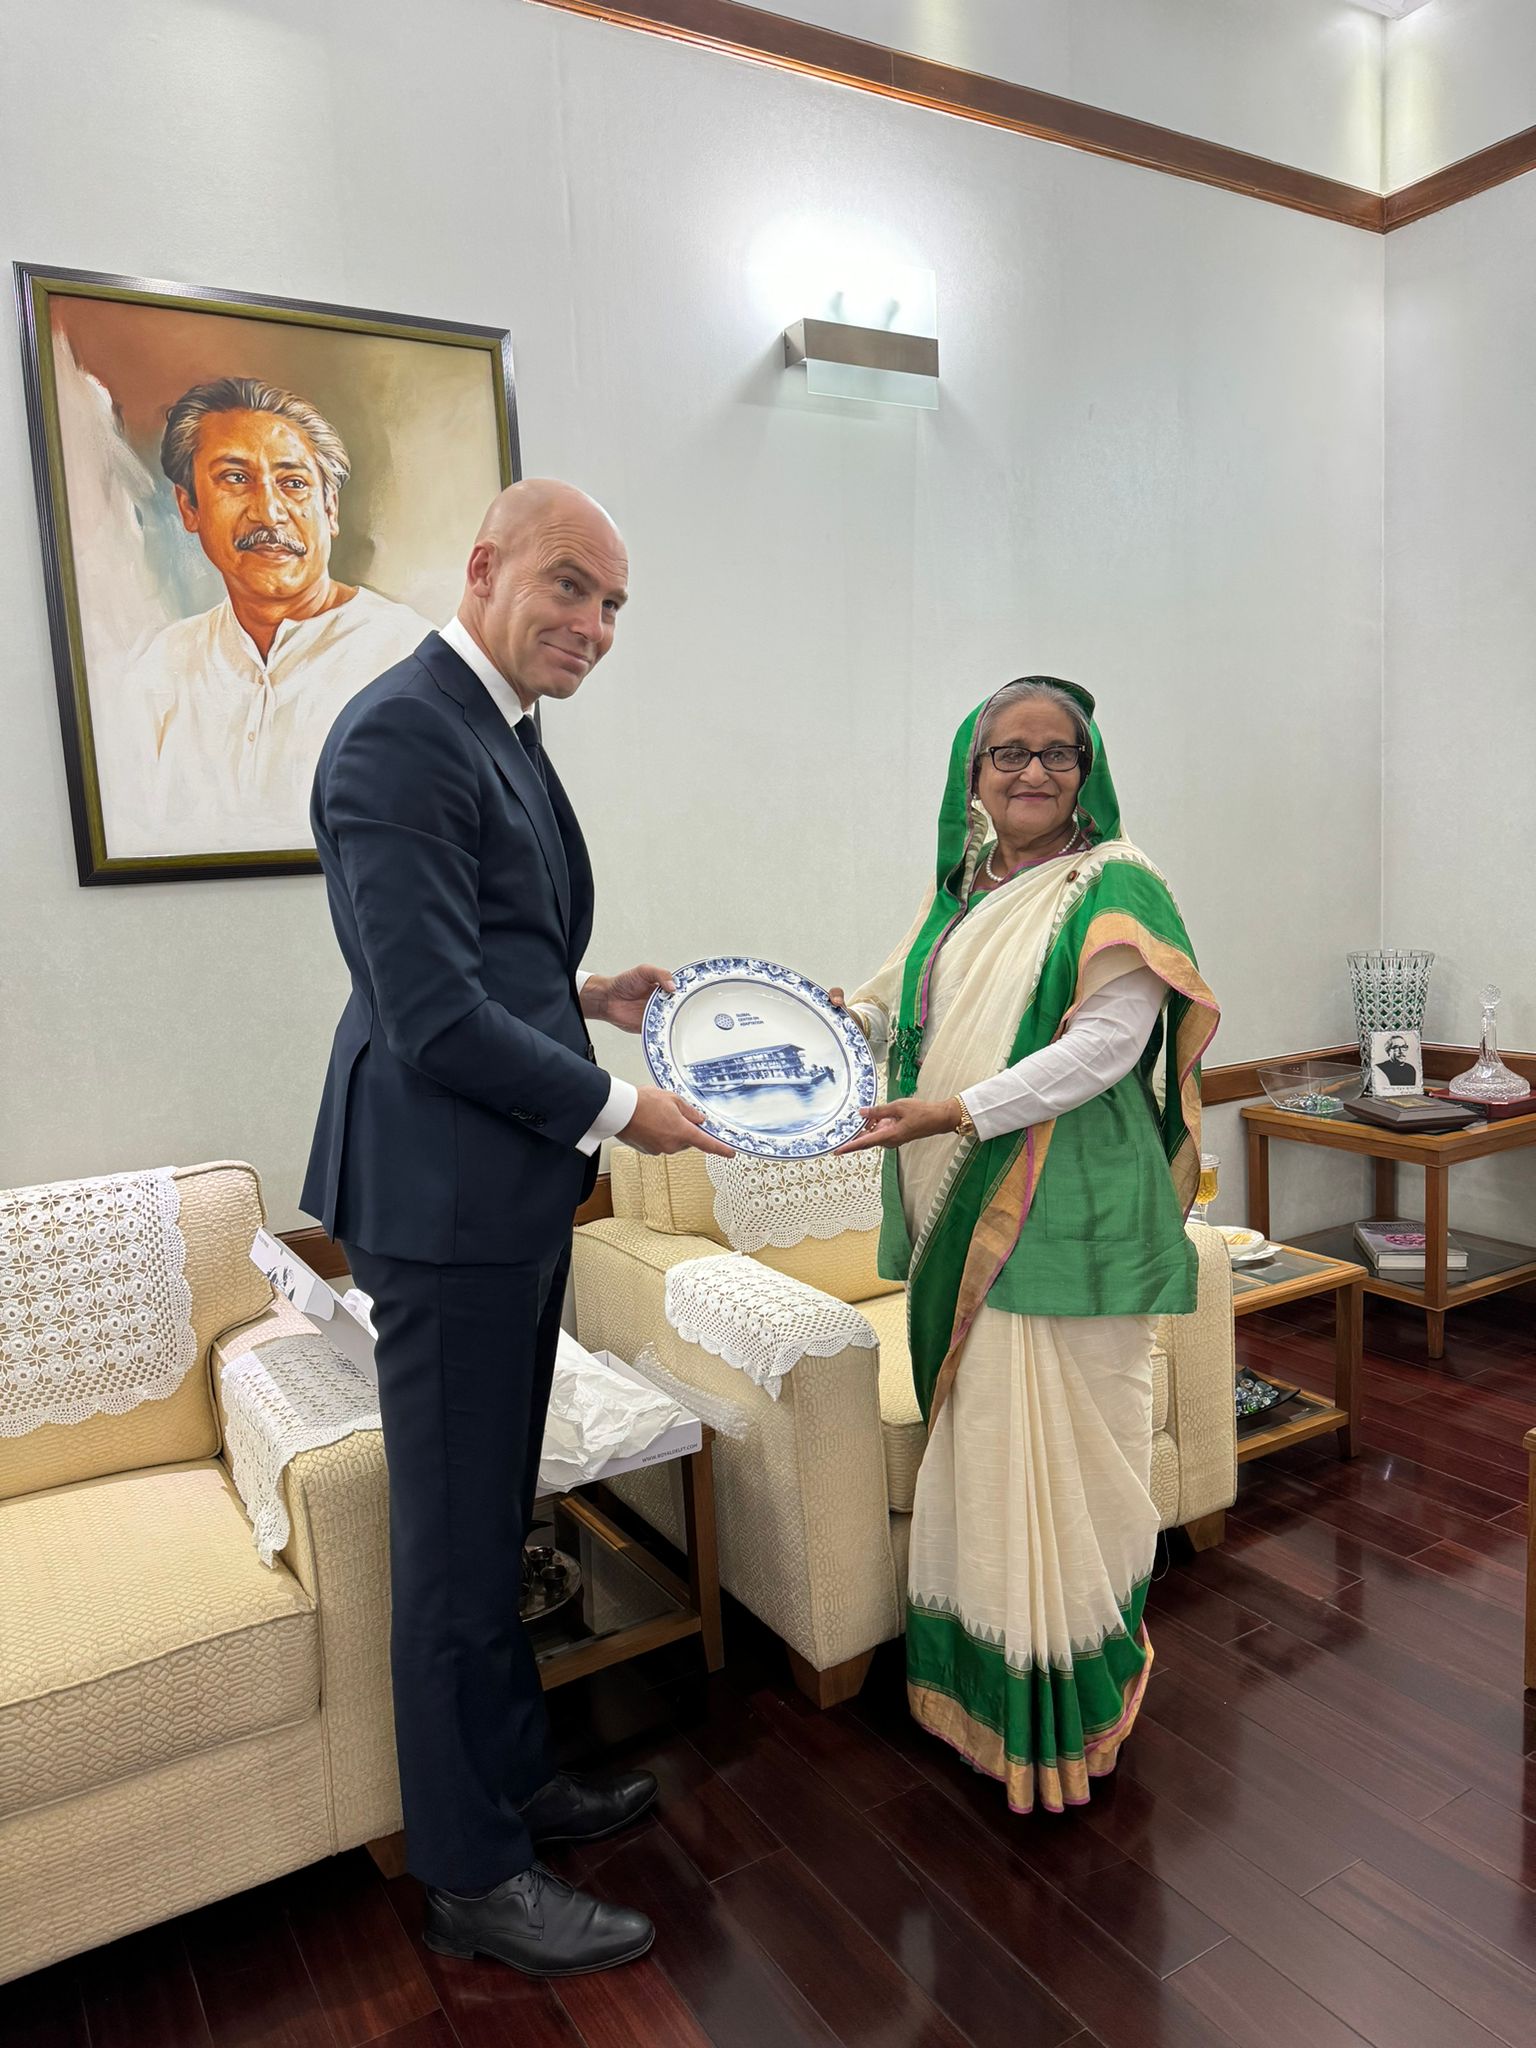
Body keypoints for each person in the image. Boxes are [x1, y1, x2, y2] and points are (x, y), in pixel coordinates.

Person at [302, 479, 731, 1975]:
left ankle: (516, 1783)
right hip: (446, 1199)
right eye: (569, 588)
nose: (594, 626)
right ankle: (472, 1873)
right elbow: (427, 1016)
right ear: (482, 569)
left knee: (498, 1518)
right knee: (452, 1546)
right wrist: (624, 1109)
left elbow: (481, 954)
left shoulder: (495, 727)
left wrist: (589, 994)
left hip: (501, 1192)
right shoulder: (401, 732)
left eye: (613, 604)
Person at [831, 678, 1218, 1813]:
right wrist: (784, 1018)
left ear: (1087, 766)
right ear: (973, 772)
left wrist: (953, 1112)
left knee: (1077, 1449)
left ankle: (1073, 1705)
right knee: (989, 1433)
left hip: (1073, 1202)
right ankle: (992, 1697)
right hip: (972, 1199)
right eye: (1008, 754)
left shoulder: (1116, 885)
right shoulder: (957, 893)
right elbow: (892, 1010)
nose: (1033, 773)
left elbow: (1107, 1044)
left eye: (1057, 753)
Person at [123, 378, 434, 852]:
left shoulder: (414, 661)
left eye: (293, 483)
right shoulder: (162, 668)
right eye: (235, 478)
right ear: (189, 507)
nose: (268, 513)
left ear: (330, 508)